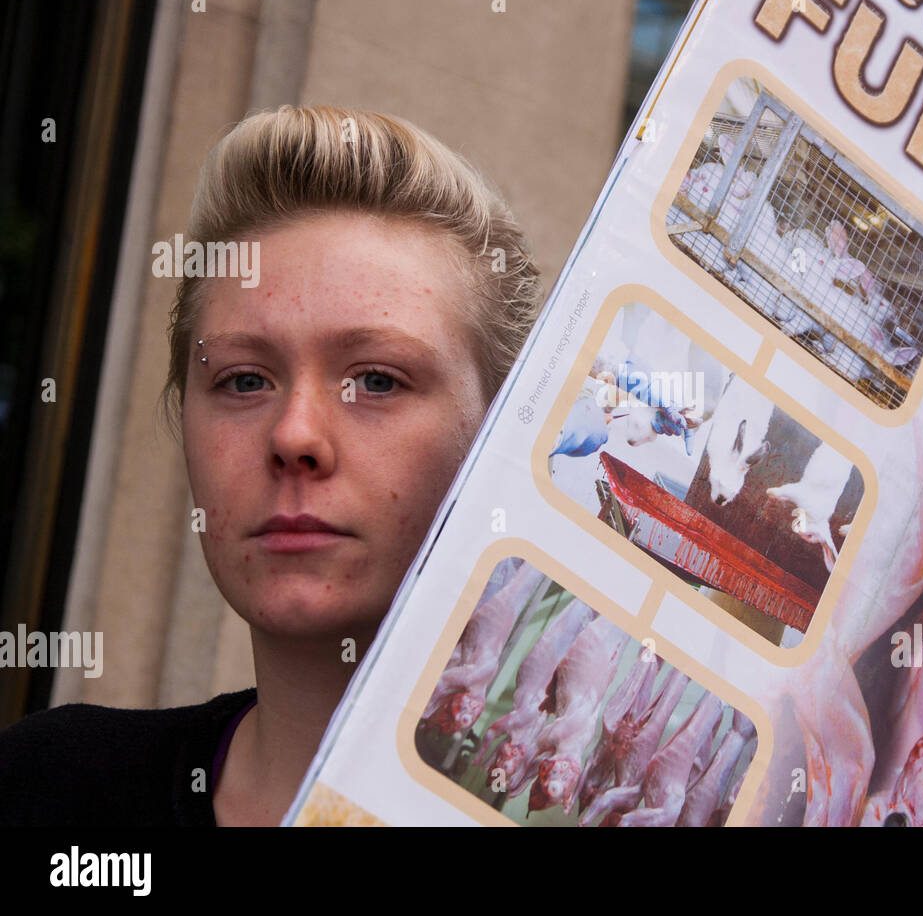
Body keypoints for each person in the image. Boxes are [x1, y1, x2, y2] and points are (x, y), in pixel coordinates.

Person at [0, 106, 542, 825]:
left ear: (502, 429)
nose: (294, 435)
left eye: (377, 380)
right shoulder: (47, 791)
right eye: (244, 380)